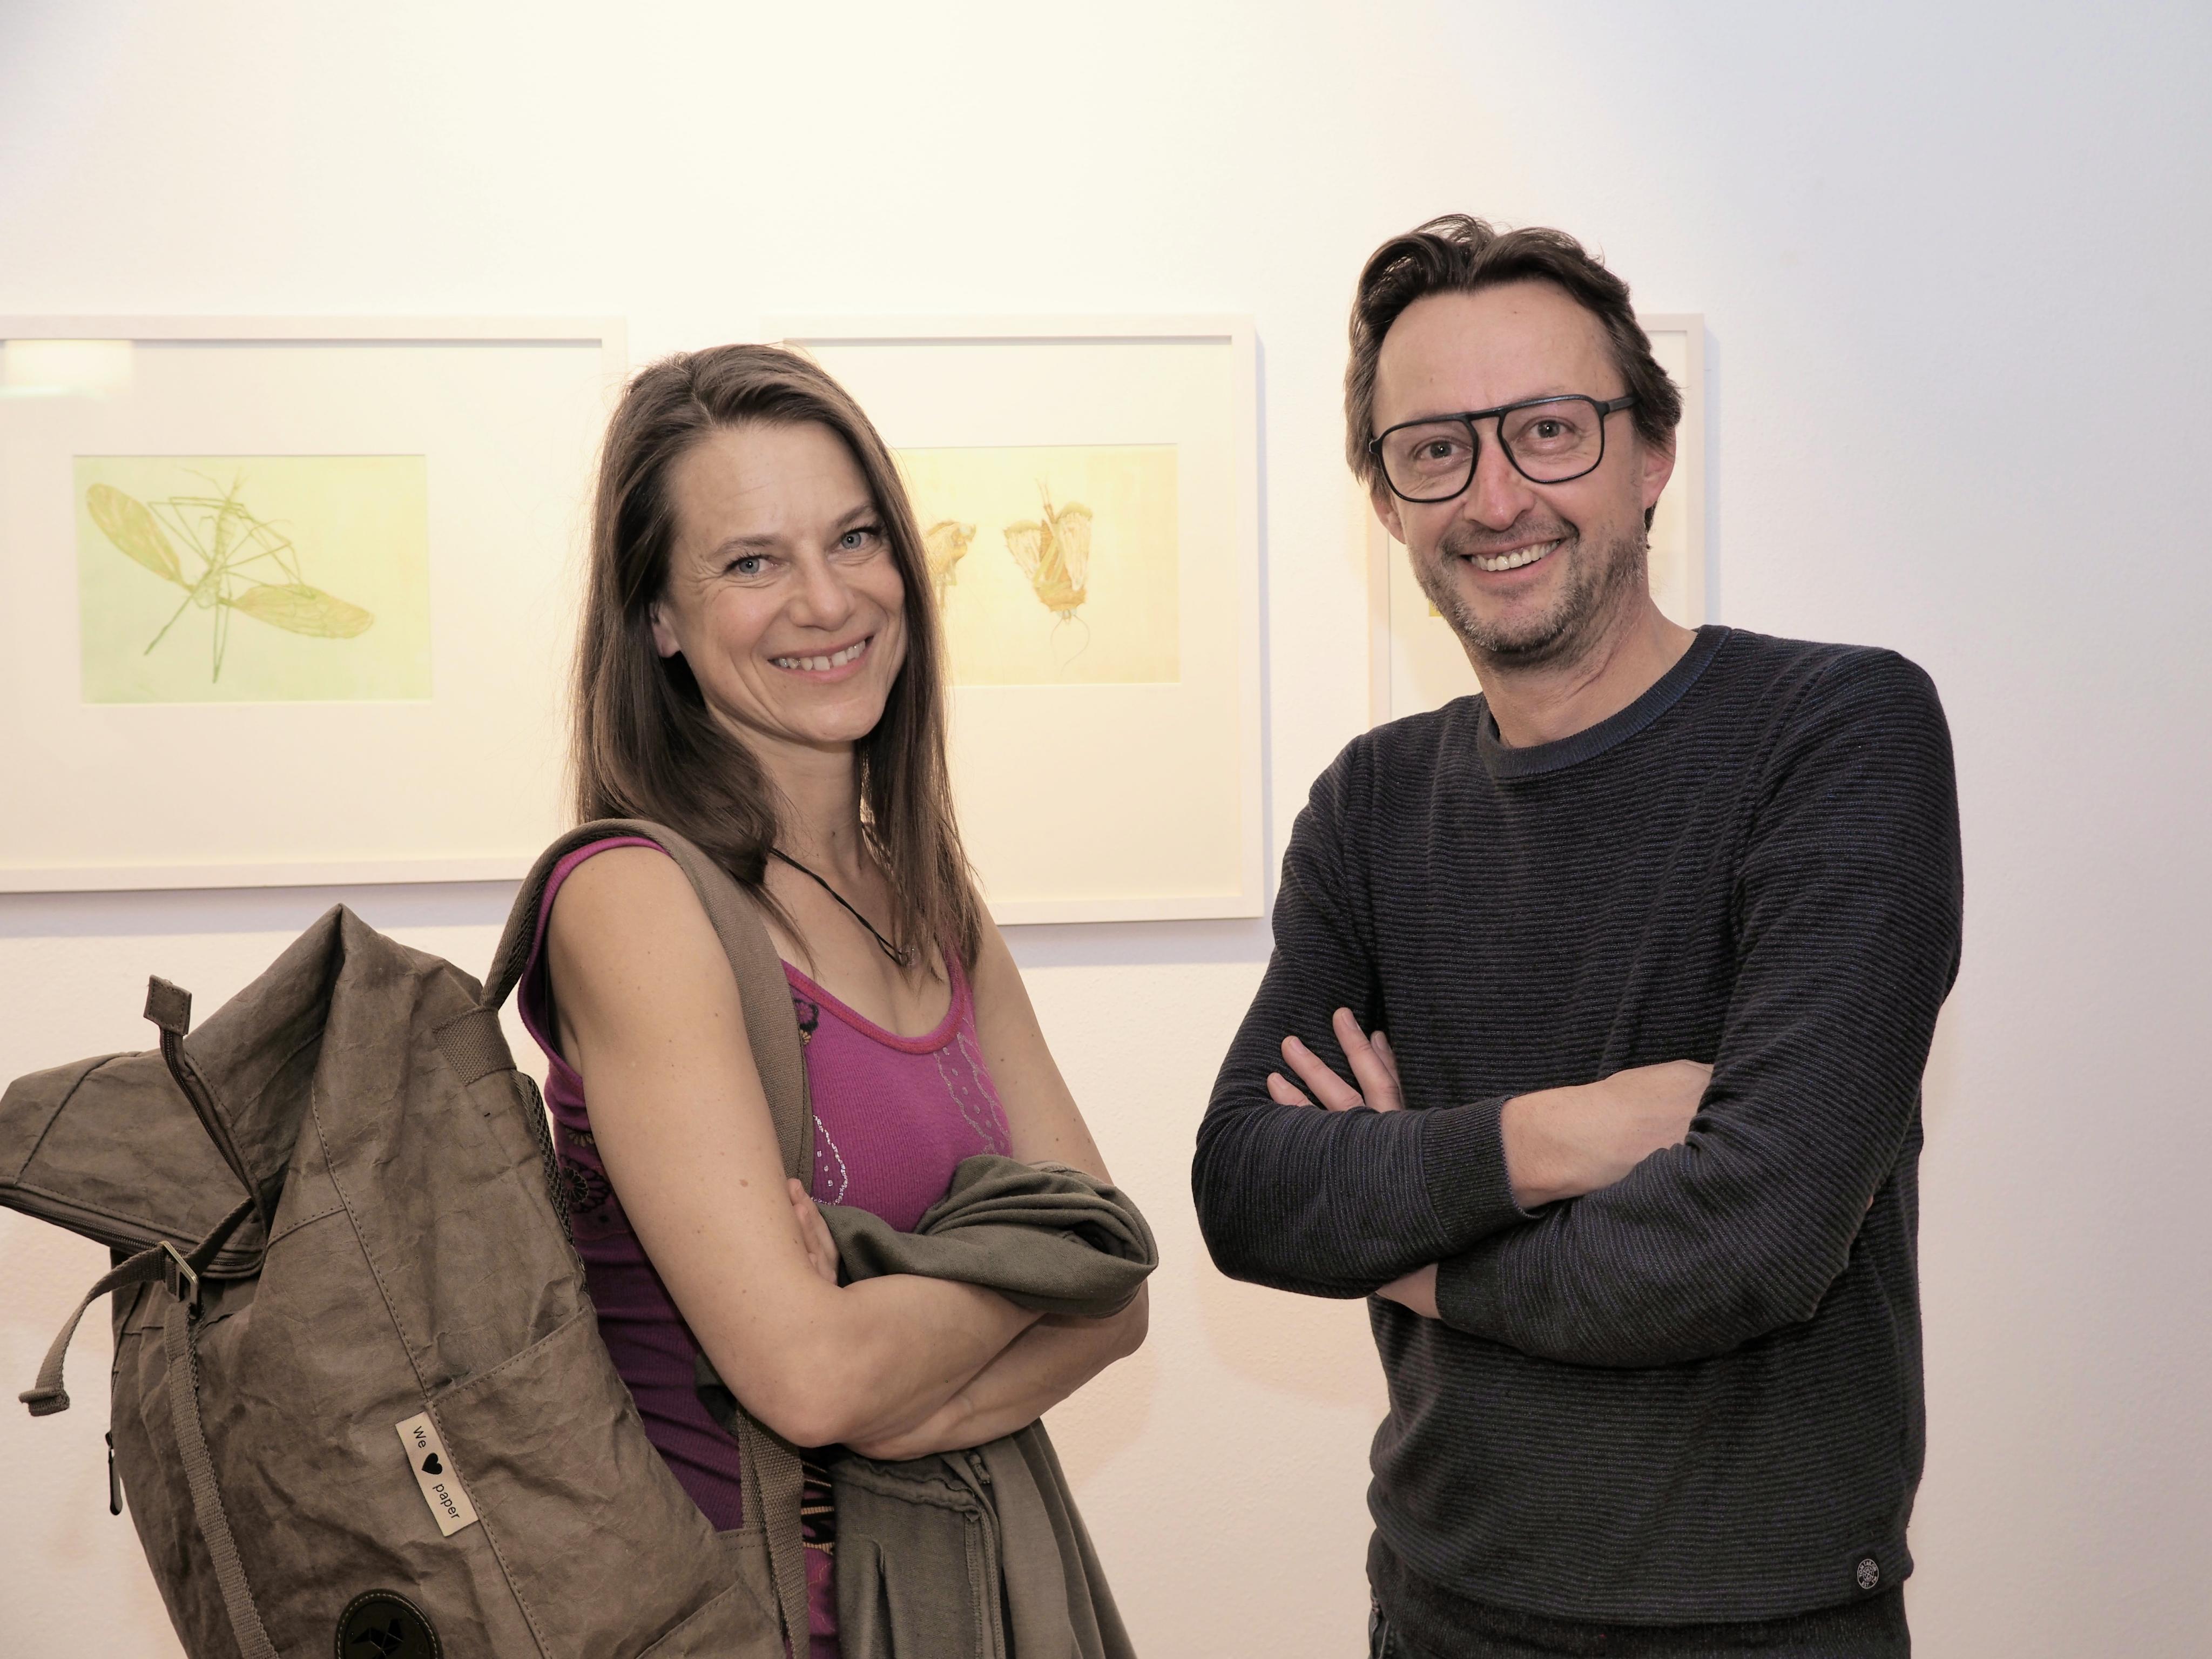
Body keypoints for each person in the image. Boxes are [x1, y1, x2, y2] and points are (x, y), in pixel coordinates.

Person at [1192, 216, 1962, 1658]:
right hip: (1440, 1611)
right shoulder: (1371, 804)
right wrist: (1567, 1135)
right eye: (1435, 449)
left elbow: (1750, 1244)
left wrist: (1408, 1243)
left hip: (1766, 1625)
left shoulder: (1837, 735)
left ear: (1651, 453)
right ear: (1387, 502)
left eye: (1548, 431)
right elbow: (1250, 1189)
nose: (1495, 496)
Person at [519, 345, 1147, 1658]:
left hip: (967, 1598)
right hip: (741, 1620)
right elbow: (810, 1380)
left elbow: (1119, 1285)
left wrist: (895, 1344)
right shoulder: (632, 902)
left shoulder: (931, 898)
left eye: (853, 538)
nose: (825, 599)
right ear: (658, 619)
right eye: (751, 562)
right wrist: (1023, 1272)